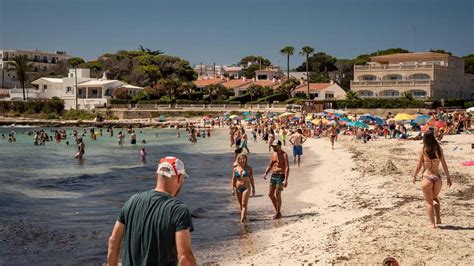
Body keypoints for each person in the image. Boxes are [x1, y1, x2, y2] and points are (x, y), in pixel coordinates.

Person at [107, 157, 196, 266]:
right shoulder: (178, 210)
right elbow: (184, 257)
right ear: (179, 178)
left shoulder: (132, 201)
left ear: (157, 175)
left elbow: (113, 241)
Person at [412, 132, 452, 228]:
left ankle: (432, 224)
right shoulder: (439, 150)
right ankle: (438, 219)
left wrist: (414, 176)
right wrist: (448, 177)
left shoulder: (423, 150)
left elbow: (419, 165)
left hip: (427, 178)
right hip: (437, 178)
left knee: (428, 202)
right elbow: (444, 165)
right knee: (435, 198)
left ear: (424, 139)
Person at [262, 140, 289, 219]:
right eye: (273, 146)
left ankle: (277, 213)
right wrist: (266, 173)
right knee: (270, 194)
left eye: (275, 146)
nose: (273, 147)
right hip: (273, 175)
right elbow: (270, 165)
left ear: (279, 146)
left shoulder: (284, 155)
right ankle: (278, 212)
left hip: (281, 176)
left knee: (277, 194)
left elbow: (287, 167)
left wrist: (286, 179)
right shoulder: (273, 154)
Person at [231, 154, 255, 222]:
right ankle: (244, 217)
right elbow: (233, 179)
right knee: (241, 205)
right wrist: (233, 189)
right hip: (238, 188)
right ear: (238, 160)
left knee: (244, 203)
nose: (242, 160)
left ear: (246, 159)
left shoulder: (249, 168)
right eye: (241, 159)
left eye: (244, 158)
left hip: (246, 187)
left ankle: (241, 220)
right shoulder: (235, 169)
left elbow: (251, 179)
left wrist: (253, 188)